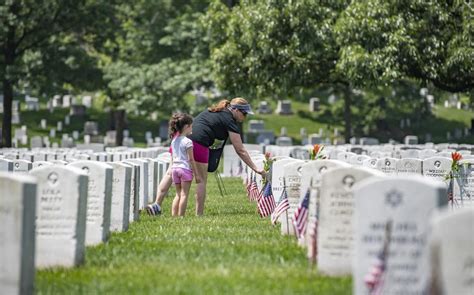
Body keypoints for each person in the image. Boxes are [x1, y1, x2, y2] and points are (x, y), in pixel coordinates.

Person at [187, 97, 266, 215]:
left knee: (173, 173)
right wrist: (256, 168)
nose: (245, 117)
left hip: (183, 140)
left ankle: (157, 203)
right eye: (244, 114)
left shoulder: (215, 111)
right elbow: (240, 150)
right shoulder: (229, 120)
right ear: (236, 110)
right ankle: (199, 214)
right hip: (199, 143)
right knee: (201, 181)